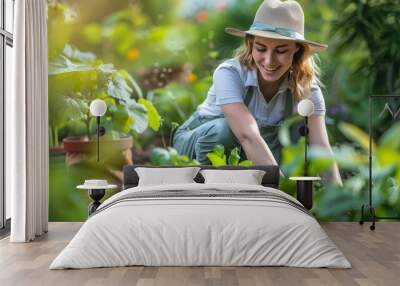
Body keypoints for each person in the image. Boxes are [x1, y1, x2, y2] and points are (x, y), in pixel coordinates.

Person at [173, 0, 342, 185]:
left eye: (281, 50)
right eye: (261, 49)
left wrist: (340, 202)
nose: (269, 61)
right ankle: (210, 190)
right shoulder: (229, 73)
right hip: (198, 143)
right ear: (250, 44)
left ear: (297, 50)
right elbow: (247, 135)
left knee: (299, 128)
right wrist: (284, 194)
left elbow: (321, 149)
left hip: (252, 148)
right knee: (223, 132)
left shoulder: (306, 88)